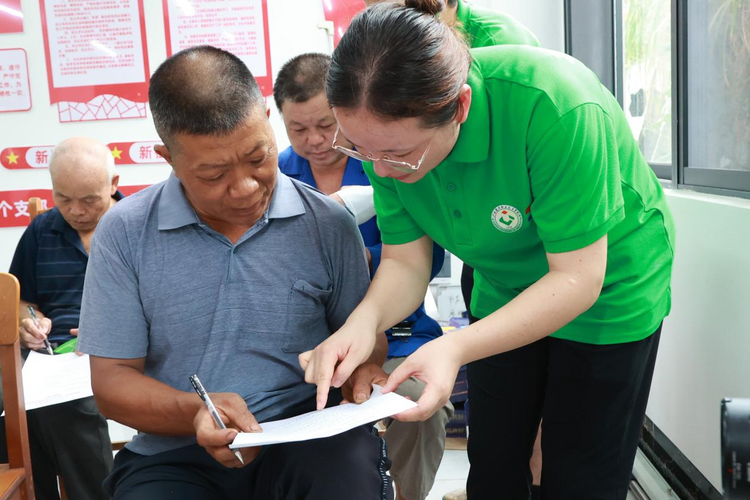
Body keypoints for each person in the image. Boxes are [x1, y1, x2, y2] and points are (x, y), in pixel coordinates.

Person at [303, 2, 675, 499]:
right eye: (359, 149)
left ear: (459, 106)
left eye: (397, 155)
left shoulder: (554, 104)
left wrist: (453, 346)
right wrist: (364, 322)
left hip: (607, 286)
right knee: (495, 460)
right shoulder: (381, 138)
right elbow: (405, 260)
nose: (381, 170)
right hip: (504, 282)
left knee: (580, 473)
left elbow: (577, 278)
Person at [77, 45, 394, 500]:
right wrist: (195, 413)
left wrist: (363, 367)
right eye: (213, 173)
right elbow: (111, 383)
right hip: (178, 453)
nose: (245, 187)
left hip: (306, 433)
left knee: (347, 479)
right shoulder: (124, 233)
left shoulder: (329, 223)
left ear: (267, 117)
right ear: (167, 157)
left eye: (257, 157)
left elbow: (365, 339)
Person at [274, 52, 453, 500]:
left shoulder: (386, 159)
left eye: (324, 125)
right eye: (298, 129)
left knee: (421, 403)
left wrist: (359, 261)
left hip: (398, 331)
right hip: (308, 341)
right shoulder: (274, 176)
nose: (314, 140)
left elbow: (426, 261)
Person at [2, 137, 119, 500]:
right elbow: (24, 302)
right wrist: (30, 321)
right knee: (11, 401)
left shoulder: (135, 226)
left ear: (113, 186)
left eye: (88, 199)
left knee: (64, 406)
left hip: (115, 351)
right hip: (54, 352)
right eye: (63, 198)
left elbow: (165, 304)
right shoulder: (42, 230)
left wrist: (112, 329)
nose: (76, 211)